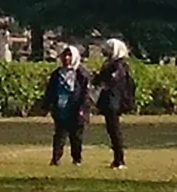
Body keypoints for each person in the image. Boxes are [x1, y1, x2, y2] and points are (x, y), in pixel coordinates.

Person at [93, 39, 137, 169]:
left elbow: (112, 81)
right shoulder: (109, 64)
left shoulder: (120, 65)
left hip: (114, 102)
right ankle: (117, 159)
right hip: (109, 102)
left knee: (115, 130)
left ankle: (120, 159)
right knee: (111, 130)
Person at [45, 44, 91, 166]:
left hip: (76, 108)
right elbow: (50, 90)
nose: (66, 58)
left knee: (76, 136)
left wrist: (83, 108)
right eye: (65, 55)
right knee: (59, 135)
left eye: (69, 55)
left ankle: (77, 159)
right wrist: (48, 105)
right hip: (61, 108)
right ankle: (56, 159)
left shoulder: (81, 73)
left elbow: (86, 93)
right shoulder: (57, 74)